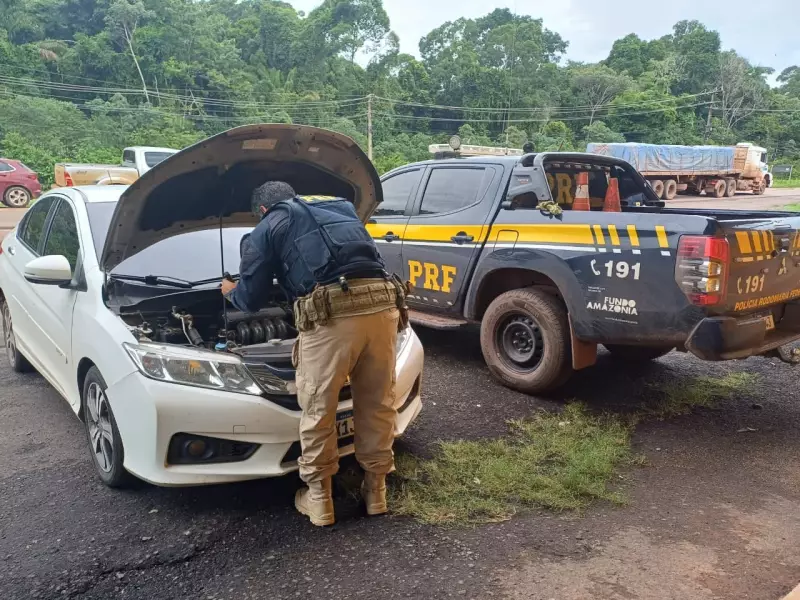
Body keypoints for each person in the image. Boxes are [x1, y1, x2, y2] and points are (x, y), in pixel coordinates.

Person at [221, 181, 408, 527]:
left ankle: (319, 500)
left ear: (262, 210)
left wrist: (231, 290)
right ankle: (376, 492)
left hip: (333, 315)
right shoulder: (337, 208)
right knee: (378, 402)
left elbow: (251, 299)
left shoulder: (267, 226)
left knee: (320, 407)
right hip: (384, 306)